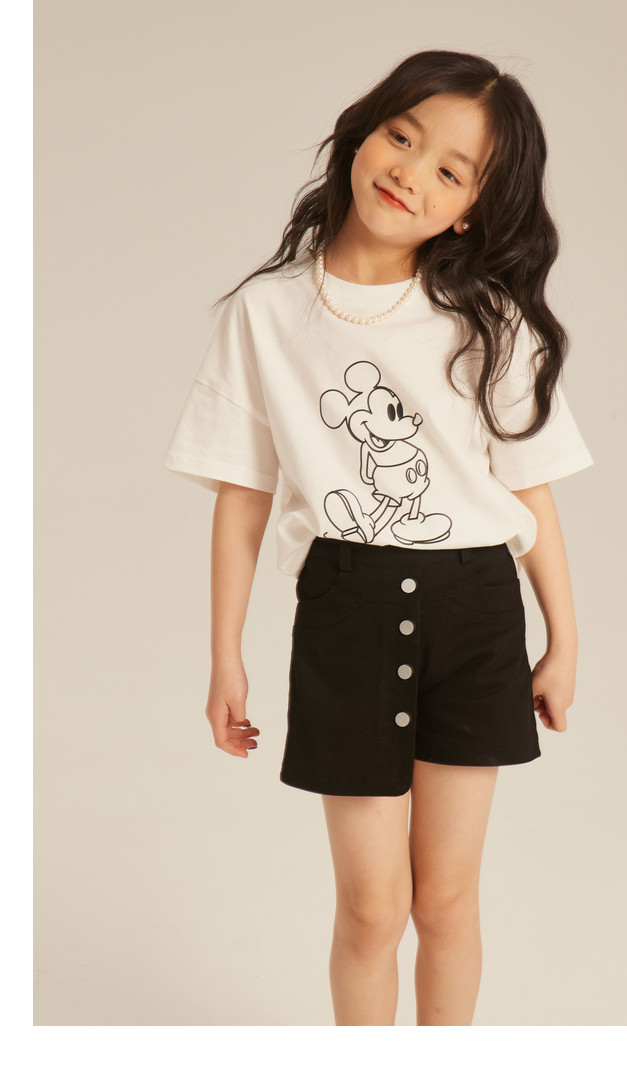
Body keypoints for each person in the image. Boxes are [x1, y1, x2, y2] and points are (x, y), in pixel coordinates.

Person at [163, 49, 594, 1026]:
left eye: (451, 170)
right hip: (346, 609)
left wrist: (565, 638)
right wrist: (224, 653)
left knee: (444, 900)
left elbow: (527, 488)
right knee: (371, 906)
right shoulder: (266, 312)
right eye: (403, 136)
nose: (410, 171)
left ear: (472, 210)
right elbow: (242, 493)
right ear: (363, 132)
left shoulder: (489, 320)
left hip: (476, 612)